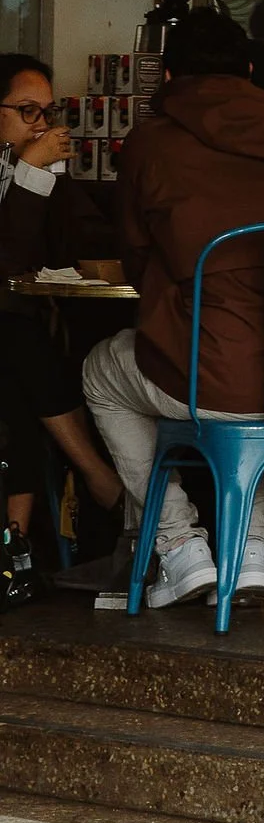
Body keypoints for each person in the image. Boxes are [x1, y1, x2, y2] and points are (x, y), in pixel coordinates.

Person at [82, 10, 264, 611]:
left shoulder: (151, 140)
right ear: (251, 71)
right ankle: (251, 549)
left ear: (169, 76)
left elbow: (133, 251)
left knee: (102, 370)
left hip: (217, 377)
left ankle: (181, 548)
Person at [0, 54, 125, 556]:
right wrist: (30, 170)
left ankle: (17, 548)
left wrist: (39, 173)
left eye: (48, 113)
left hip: (14, 326)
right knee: (14, 339)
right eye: (28, 111)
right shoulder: (26, 165)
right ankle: (99, 479)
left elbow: (78, 239)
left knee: (14, 358)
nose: (42, 125)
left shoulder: (34, 164)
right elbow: (6, 261)